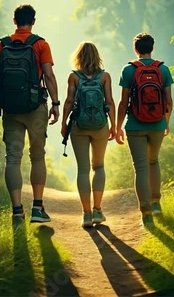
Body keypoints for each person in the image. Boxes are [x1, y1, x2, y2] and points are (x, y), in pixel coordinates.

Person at [0, 4, 60, 225]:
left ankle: (17, 212)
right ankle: (38, 209)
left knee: (13, 158)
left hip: (11, 109)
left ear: (14, 21)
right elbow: (48, 76)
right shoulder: (40, 44)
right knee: (37, 156)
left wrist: (5, 100)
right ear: (33, 21)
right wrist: (56, 103)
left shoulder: (1, 46)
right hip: (35, 107)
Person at [116, 32, 173, 227]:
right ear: (152, 48)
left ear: (135, 49)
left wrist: (117, 127)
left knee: (140, 167)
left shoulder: (129, 70)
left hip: (135, 125)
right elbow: (169, 101)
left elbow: (123, 103)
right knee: (153, 161)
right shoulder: (163, 69)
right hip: (158, 123)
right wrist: (167, 121)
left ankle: (146, 213)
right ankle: (156, 203)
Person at [60, 41, 116, 228]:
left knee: (83, 169)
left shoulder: (74, 76)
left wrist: (64, 123)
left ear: (79, 57)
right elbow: (110, 102)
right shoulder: (105, 76)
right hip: (100, 125)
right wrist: (114, 126)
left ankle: (86, 214)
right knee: (98, 166)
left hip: (79, 126)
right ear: (97, 56)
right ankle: (98, 211)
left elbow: (69, 101)